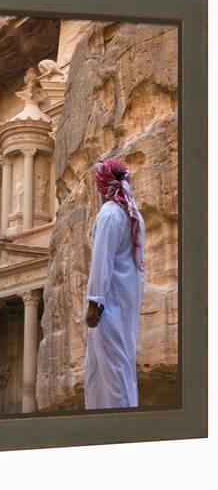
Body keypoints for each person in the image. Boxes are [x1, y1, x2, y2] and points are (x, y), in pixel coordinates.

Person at [84, 156, 146, 409]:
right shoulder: (131, 212)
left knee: (114, 370)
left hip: (109, 306)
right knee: (102, 370)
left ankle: (121, 426)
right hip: (124, 302)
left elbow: (102, 261)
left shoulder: (110, 214)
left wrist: (94, 302)